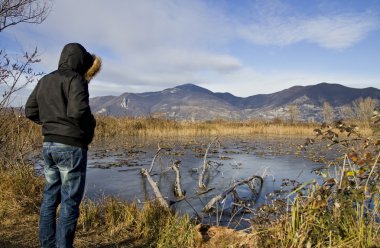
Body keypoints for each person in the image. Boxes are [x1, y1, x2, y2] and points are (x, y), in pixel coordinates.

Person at [25, 43, 101, 248]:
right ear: (79, 61)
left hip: (49, 145)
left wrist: (51, 124)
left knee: (50, 197)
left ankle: (46, 245)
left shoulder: (45, 79)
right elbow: (78, 112)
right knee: (69, 202)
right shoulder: (76, 79)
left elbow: (30, 111)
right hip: (71, 147)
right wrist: (90, 127)